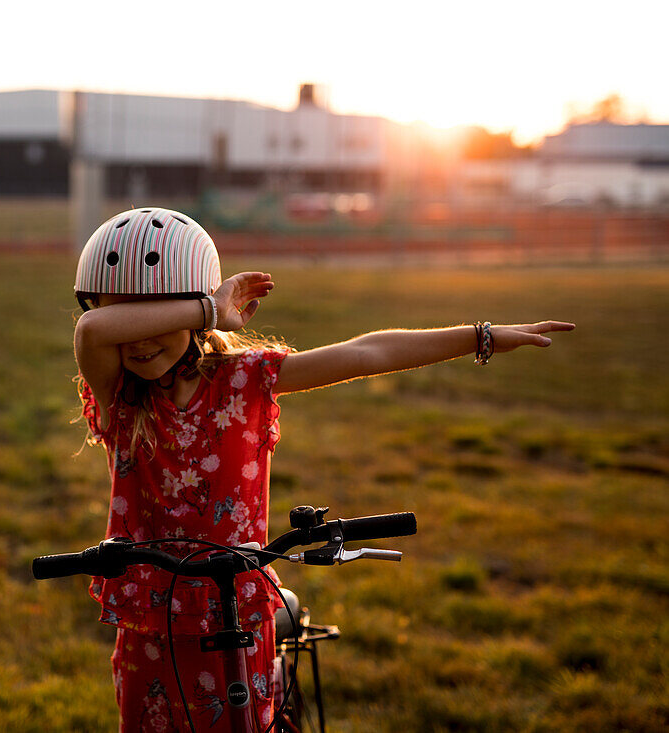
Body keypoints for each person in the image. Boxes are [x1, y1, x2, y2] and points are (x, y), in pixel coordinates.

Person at [73, 207, 573, 731]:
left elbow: (367, 352)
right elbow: (93, 328)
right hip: (151, 622)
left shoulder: (246, 379)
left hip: (239, 609)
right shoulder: (121, 396)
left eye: (162, 314)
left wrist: (480, 336)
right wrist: (206, 310)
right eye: (133, 318)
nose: (142, 339)